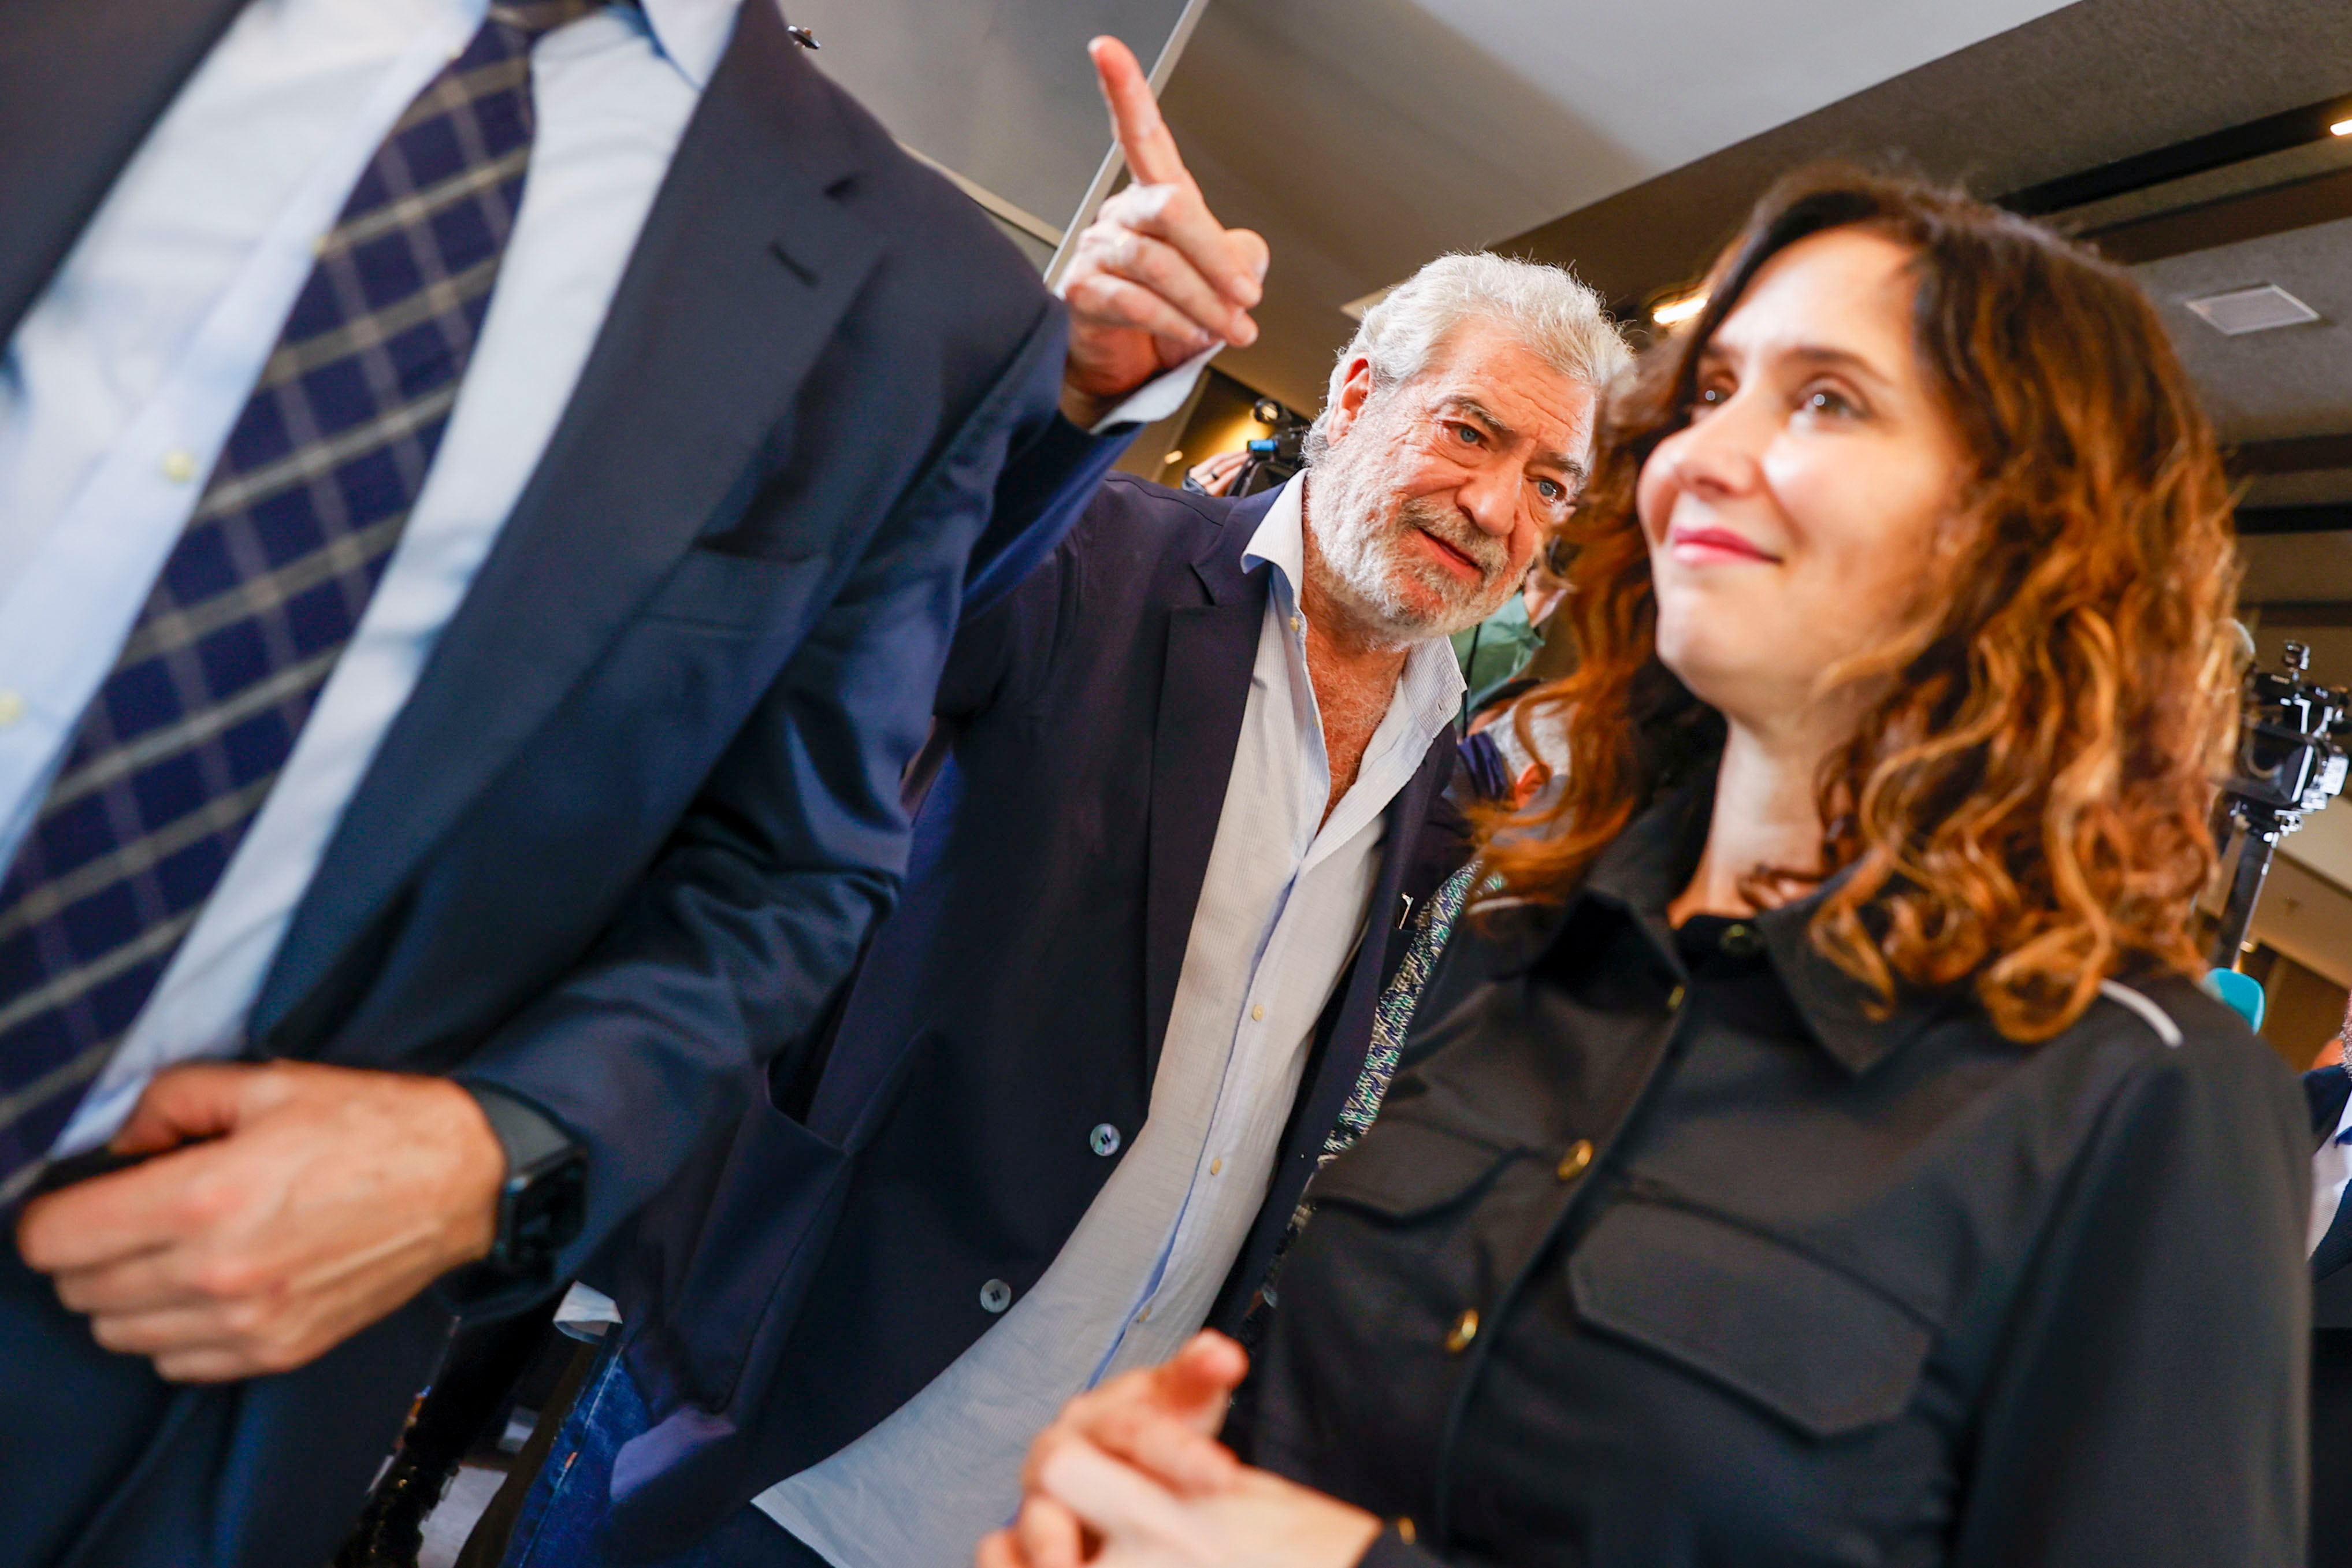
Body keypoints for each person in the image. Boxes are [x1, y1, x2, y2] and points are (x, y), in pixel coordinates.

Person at [0, 8, 1259, 1563]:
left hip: (150, 1339)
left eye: (1552, 472)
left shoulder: (917, 301)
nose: (1505, 501)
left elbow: (790, 860)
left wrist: (492, 1154)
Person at [985, 166, 2313, 1568]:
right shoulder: (1523, 948)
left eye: (1822, 399)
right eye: (1713, 391)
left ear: (2016, 533)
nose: (1696, 454)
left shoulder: (2140, 1104)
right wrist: (1149, 1499)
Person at [486, 246, 1628, 1567]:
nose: (1496, 507)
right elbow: (832, 625)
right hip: (784, 1427)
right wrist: (1060, 391)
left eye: (1551, 486)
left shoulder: (1444, 772)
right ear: (1358, 392)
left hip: (1054, 1514)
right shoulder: (1093, 560)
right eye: (1468, 433)